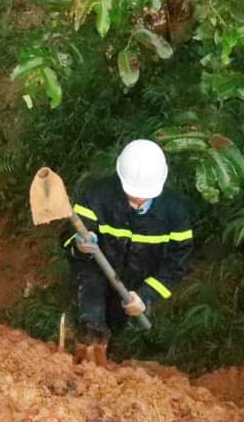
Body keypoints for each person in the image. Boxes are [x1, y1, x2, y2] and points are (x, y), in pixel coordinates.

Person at [64, 139, 193, 364]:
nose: (137, 200)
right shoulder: (96, 196)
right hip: (94, 268)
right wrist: (79, 243)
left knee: (114, 323)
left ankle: (102, 361)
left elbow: (176, 265)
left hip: (134, 283)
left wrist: (145, 296)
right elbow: (67, 235)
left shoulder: (175, 213)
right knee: (91, 310)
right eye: (132, 194)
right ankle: (84, 352)